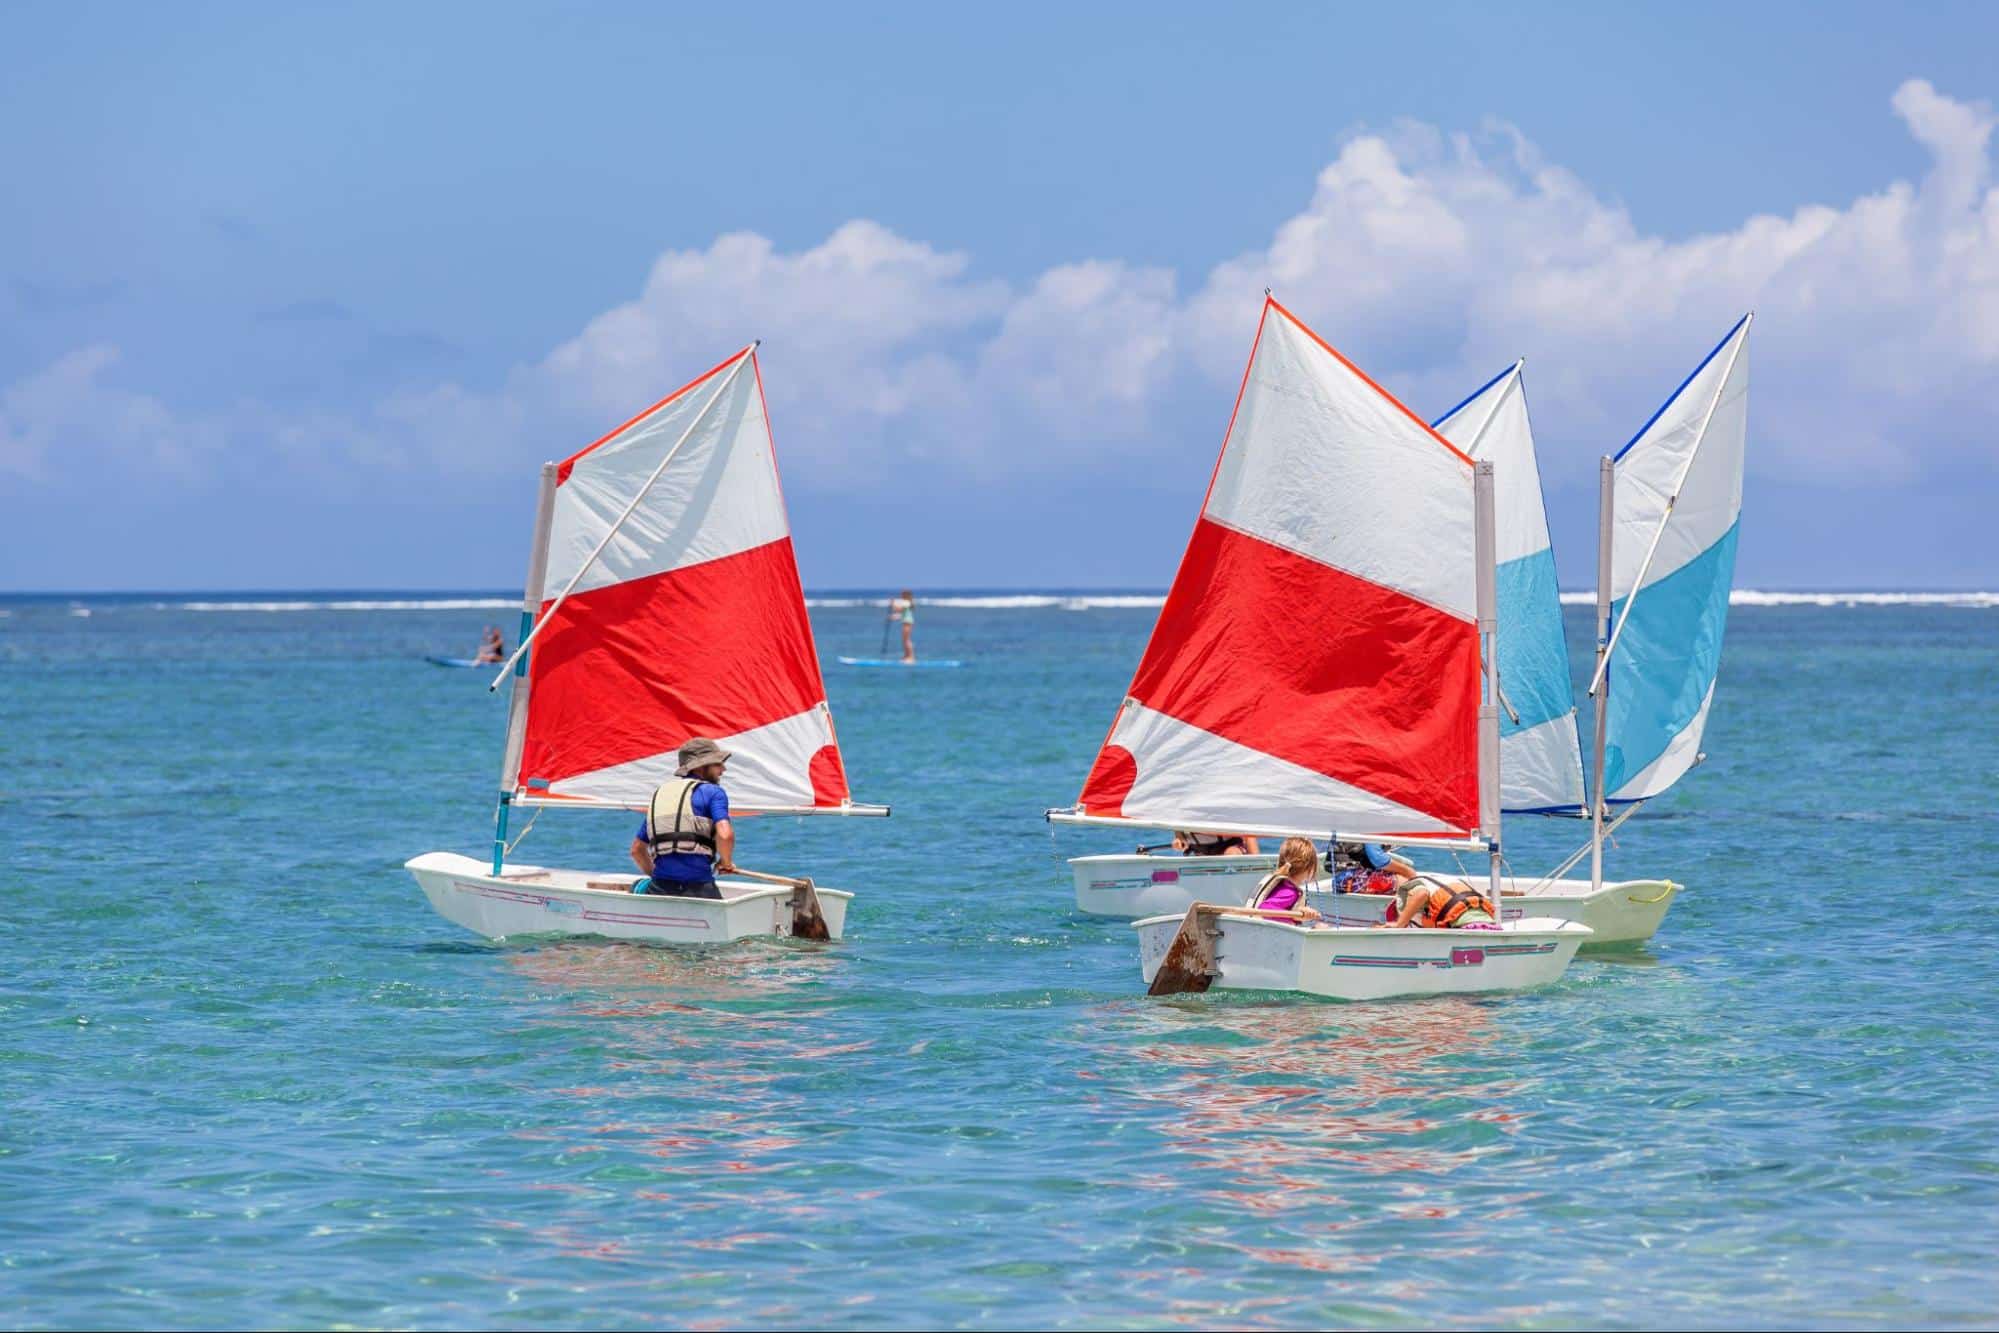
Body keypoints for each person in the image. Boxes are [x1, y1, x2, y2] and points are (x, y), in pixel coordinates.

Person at [628, 737, 736, 899]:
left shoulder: (662, 796)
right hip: (700, 889)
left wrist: (655, 876)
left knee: (638, 886)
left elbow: (637, 850)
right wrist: (726, 863)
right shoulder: (713, 792)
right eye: (718, 763)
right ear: (700, 766)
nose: (723, 769)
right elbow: (725, 835)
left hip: (660, 889)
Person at [1243, 837, 1322, 918]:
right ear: (1308, 867)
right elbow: (1264, 908)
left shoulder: (1282, 884)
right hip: (1265, 925)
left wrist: (1297, 915)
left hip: (1257, 923)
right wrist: (1293, 916)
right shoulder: (1290, 892)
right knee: (1321, 925)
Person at [1384, 875, 1497, 929]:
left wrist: (1399, 924)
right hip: (1489, 922)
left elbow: (1422, 894)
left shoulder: (1412, 891)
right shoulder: (1437, 881)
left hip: (1464, 925)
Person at [1331, 841, 1413, 895]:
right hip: (1350, 880)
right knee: (1404, 882)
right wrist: (1409, 872)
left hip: (1341, 880)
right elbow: (1378, 860)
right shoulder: (1373, 830)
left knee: (1399, 877)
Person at [1172, 830, 1261, 856]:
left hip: (1230, 846)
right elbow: (1179, 835)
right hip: (1201, 852)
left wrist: (1258, 865)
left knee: (1232, 854)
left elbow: (1248, 834)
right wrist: (1179, 840)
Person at [887, 589, 917, 663]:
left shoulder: (907, 602)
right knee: (904, 640)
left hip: (907, 623)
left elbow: (898, 609)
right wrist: (893, 617)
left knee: (907, 640)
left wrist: (892, 603)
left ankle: (911, 657)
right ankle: (906, 656)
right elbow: (902, 614)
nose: (901, 596)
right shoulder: (907, 603)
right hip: (906, 622)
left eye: (902, 594)